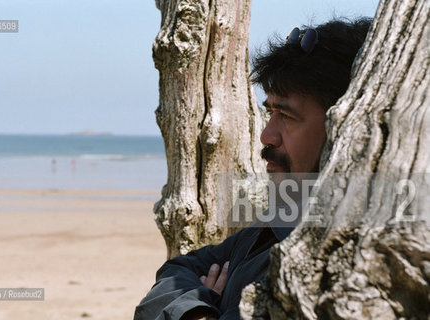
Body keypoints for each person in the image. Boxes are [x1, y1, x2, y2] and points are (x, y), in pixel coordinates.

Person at [134, 18, 372, 320]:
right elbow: (178, 270)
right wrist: (195, 311)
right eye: (270, 111)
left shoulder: (358, 254)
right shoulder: (276, 224)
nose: (266, 135)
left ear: (344, 124)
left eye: (285, 115)